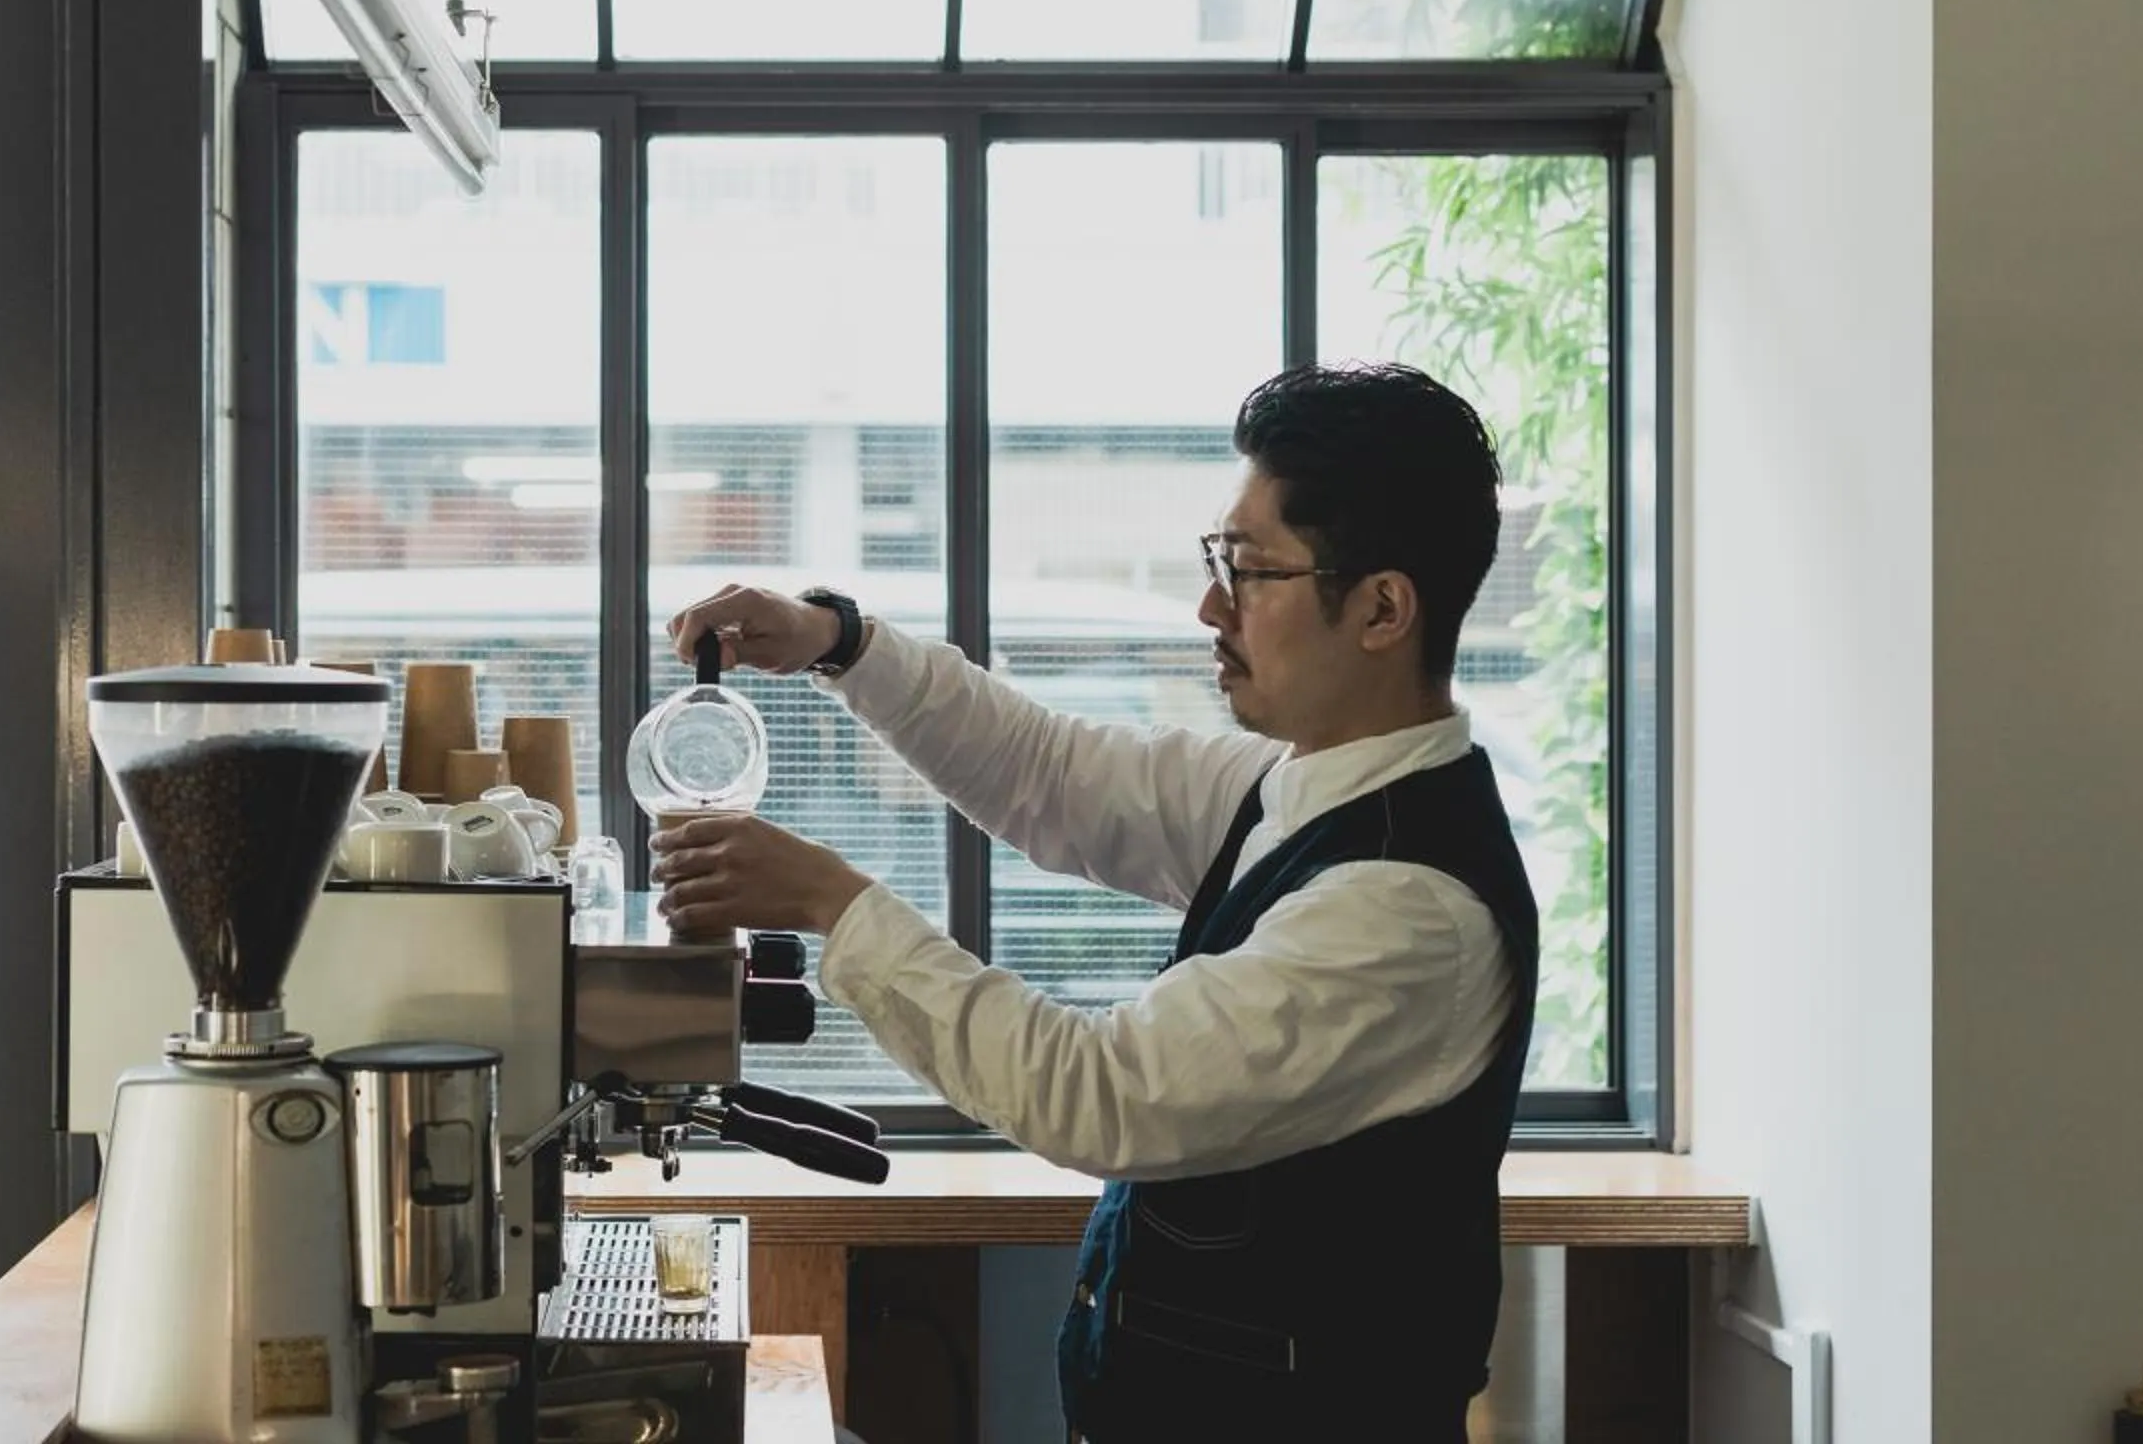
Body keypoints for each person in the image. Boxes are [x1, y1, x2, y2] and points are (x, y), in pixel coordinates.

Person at [652, 361, 1539, 1444]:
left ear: (1383, 607)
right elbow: (1050, 771)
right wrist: (839, 640)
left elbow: (1101, 1091)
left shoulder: (1408, 909)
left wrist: (835, 904)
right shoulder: (1295, 788)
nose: (1212, 604)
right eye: (1222, 557)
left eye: (1249, 569)